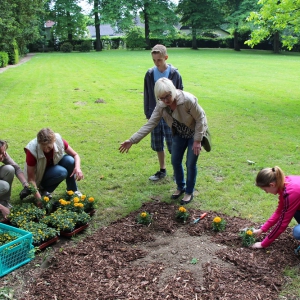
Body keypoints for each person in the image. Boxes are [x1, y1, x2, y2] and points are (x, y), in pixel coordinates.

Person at [119, 77, 208, 205]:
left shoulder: (188, 100)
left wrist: (198, 140)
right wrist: (132, 140)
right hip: (179, 134)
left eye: (168, 96)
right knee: (175, 161)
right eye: (162, 98)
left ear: (173, 90)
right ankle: (180, 187)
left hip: (194, 134)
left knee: (190, 163)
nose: (166, 100)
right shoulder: (161, 106)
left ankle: (189, 191)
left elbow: (201, 118)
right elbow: (150, 124)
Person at [144, 44, 183, 181]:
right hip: (155, 114)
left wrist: (177, 114)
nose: (156, 63)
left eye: (159, 60)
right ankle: (162, 170)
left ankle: (177, 171)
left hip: (171, 115)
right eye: (154, 60)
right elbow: (147, 94)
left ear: (165, 57)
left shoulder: (174, 74)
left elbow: (180, 94)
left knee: (173, 143)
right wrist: (148, 113)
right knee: (158, 143)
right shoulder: (149, 74)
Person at [24, 128, 84, 205]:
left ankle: (73, 191)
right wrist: (39, 200)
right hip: (39, 176)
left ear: (54, 141)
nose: (46, 150)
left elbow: (75, 155)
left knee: (70, 161)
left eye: (49, 147)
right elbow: (31, 179)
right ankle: (42, 190)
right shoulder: (32, 150)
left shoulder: (59, 140)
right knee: (61, 172)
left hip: (52, 166)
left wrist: (77, 168)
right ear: (39, 143)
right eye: (43, 147)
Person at [251, 166, 300, 249]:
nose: (266, 192)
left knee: (297, 232)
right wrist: (262, 229)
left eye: (265, 189)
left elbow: (282, 223)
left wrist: (263, 243)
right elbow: (279, 211)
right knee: (291, 208)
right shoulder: (285, 184)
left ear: (272, 185)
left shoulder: (291, 193)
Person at [0, 140, 29, 218]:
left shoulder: (3, 153)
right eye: (1, 153)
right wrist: (2, 209)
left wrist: (25, 184)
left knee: (10, 169)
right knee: (4, 186)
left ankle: (3, 201)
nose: (4, 154)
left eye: (4, 151)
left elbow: (16, 168)